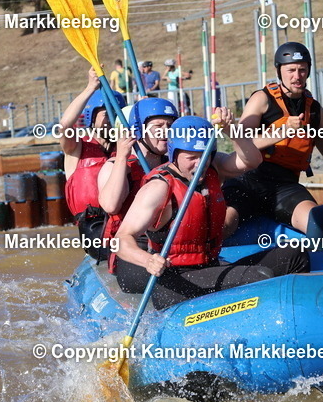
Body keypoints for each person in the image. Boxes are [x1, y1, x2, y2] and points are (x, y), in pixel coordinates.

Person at [117, 113, 308, 308]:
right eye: (191, 157)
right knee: (258, 277)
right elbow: (122, 239)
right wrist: (148, 260)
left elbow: (252, 161)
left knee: (294, 255)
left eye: (204, 157)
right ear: (174, 153)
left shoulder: (213, 168)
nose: (199, 164)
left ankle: (300, 315)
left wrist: (230, 129)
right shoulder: (159, 188)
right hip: (174, 282)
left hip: (210, 266)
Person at [221, 42, 323, 237]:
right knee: (225, 224)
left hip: (286, 185)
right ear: (280, 71)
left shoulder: (314, 110)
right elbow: (241, 141)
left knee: (316, 223)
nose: (297, 76)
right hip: (249, 180)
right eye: (291, 70)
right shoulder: (261, 99)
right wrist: (282, 131)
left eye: (302, 70)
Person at [99, 97, 178, 293]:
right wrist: (122, 157)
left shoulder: (177, 164)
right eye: (158, 125)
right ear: (140, 130)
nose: (166, 131)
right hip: (133, 250)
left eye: (170, 125)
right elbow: (110, 206)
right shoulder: (115, 166)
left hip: (169, 246)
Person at [60, 69, 120, 217]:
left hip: (120, 225)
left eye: (116, 114)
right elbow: (64, 126)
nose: (112, 121)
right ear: (91, 117)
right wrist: (90, 88)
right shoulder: (76, 147)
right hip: (91, 226)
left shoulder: (125, 148)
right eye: (106, 115)